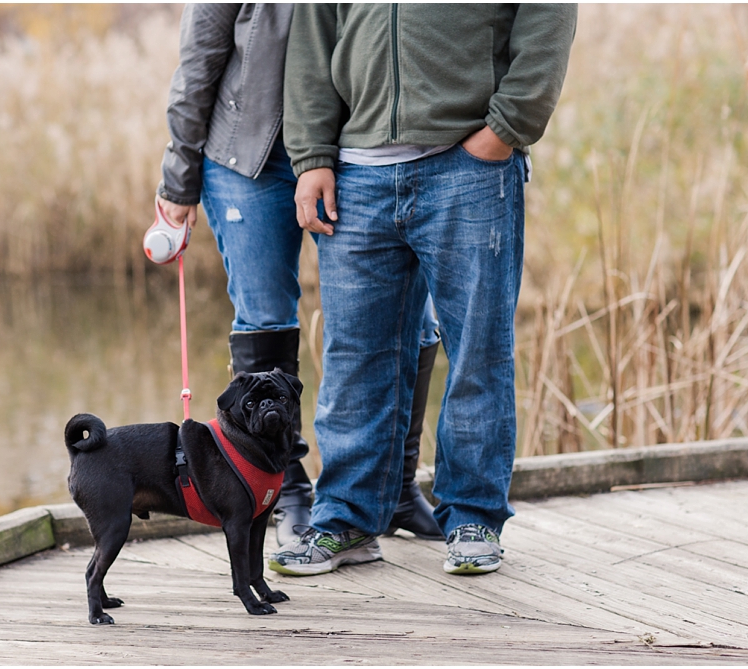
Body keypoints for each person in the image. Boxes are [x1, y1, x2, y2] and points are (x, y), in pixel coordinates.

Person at [269, 3, 577, 577]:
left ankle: (473, 519)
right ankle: (347, 522)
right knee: (354, 358)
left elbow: (548, 16)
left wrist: (506, 128)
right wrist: (312, 156)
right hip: (355, 176)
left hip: (468, 167)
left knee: (477, 352)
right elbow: (312, 43)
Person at [157, 4, 445, 547]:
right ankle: (284, 488)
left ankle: (399, 487)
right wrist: (178, 180)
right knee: (265, 317)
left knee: (412, 318)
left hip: (357, 154)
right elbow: (198, 63)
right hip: (250, 161)